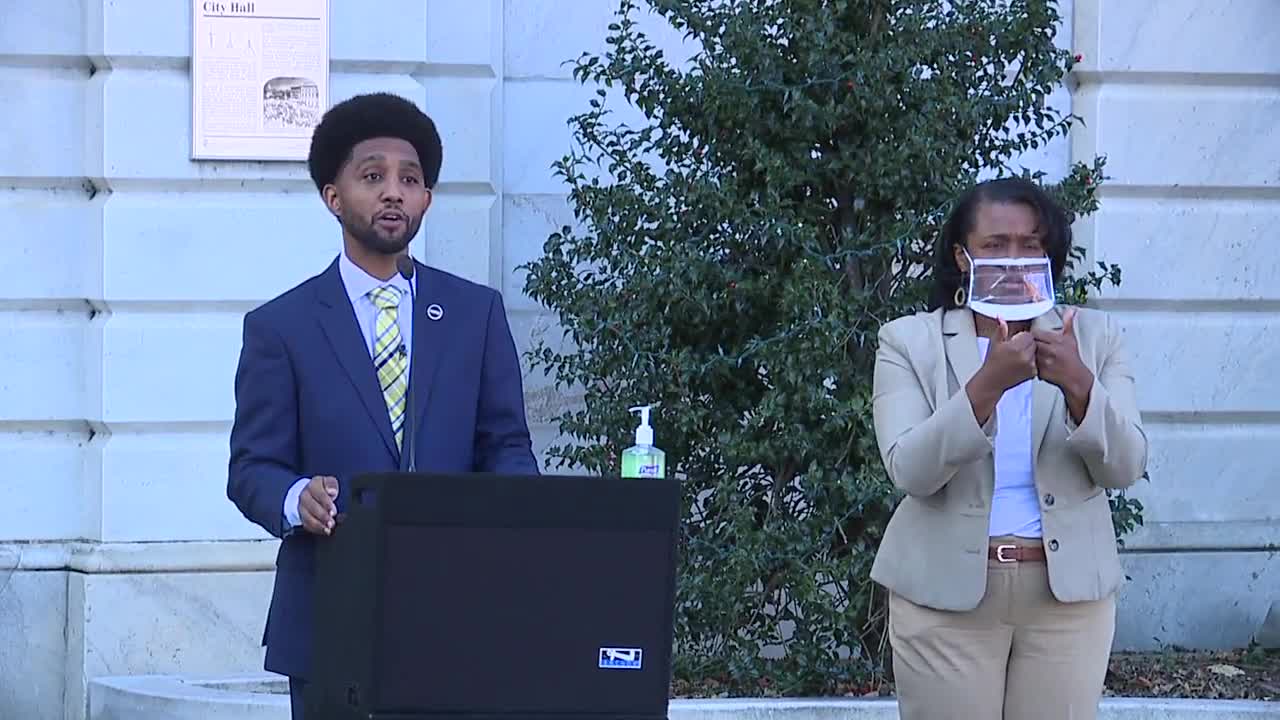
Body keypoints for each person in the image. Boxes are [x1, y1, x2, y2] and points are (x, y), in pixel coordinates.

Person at [226, 92, 540, 720]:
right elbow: (252, 469)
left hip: (458, 612)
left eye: (410, 179)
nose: (393, 192)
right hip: (327, 616)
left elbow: (506, 449)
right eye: (372, 177)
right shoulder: (281, 327)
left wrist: (514, 545)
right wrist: (297, 500)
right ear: (333, 196)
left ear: (426, 198)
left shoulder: (474, 314)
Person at [868, 176, 1148, 720]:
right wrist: (985, 386)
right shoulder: (908, 341)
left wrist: (1079, 385)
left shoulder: (1094, 337)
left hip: (1067, 602)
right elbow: (910, 469)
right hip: (943, 597)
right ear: (962, 255)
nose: (1014, 260)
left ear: (1049, 254)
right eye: (995, 246)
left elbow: (1126, 465)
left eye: (1030, 245)